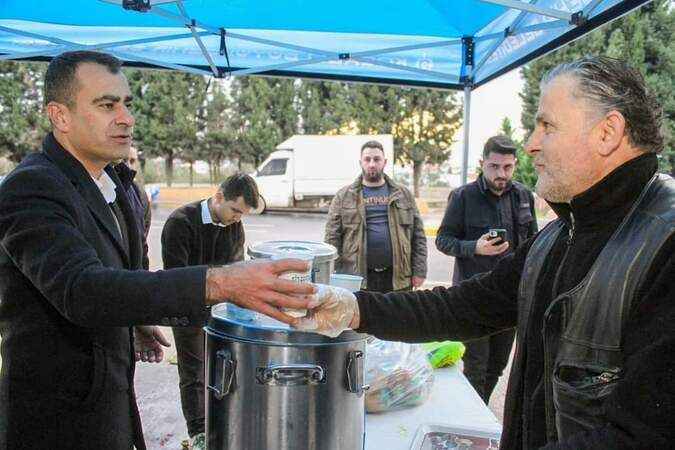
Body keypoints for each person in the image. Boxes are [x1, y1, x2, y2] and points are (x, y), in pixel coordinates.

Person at [296, 56, 674, 449]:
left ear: (608, 132)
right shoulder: (561, 235)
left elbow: (644, 435)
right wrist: (354, 309)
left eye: (547, 126)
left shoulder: (665, 243)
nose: (531, 144)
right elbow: (464, 306)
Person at [0, 51, 314, 450]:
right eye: (106, 105)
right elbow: (82, 290)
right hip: (56, 422)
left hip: (109, 404)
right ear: (60, 116)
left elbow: (123, 273)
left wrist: (135, 321)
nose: (126, 117)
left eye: (127, 104)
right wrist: (219, 283)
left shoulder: (113, 182)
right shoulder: (31, 189)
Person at [435, 135, 538, 403]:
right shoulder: (463, 197)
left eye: (507, 167)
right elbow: (443, 240)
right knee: (476, 368)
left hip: (510, 298)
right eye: (494, 167)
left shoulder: (523, 196)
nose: (501, 174)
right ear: (482, 164)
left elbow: (534, 242)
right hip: (474, 297)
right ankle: (473, 422)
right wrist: (474, 248)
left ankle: (478, 408)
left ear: (515, 164)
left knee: (498, 366)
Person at [161, 173, 259, 450]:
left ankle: (222, 425)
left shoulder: (235, 225)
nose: (237, 218)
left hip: (222, 312)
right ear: (218, 197)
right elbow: (175, 278)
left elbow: (236, 268)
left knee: (225, 368)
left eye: (243, 214)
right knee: (194, 373)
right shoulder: (180, 222)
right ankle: (199, 434)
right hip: (186, 310)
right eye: (235, 210)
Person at [324, 140, 427, 293]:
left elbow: (418, 237)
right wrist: (333, 273)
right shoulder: (344, 196)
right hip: (356, 279)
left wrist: (419, 271)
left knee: (397, 317)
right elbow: (332, 238)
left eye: (377, 159)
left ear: (384, 162)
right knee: (362, 317)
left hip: (398, 279)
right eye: (367, 159)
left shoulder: (403, 195)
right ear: (361, 162)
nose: (372, 164)